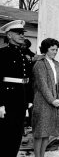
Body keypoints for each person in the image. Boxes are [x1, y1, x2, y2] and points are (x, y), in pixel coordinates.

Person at [0, 20, 33, 157]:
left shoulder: (22, 55)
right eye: (18, 33)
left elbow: (27, 79)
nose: (22, 36)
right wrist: (0, 103)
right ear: (9, 35)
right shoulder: (2, 54)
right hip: (8, 101)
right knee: (5, 138)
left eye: (22, 33)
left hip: (21, 100)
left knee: (16, 136)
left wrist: (29, 99)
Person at [32, 38, 59, 157]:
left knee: (47, 132)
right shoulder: (39, 64)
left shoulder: (56, 64)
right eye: (52, 49)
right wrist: (52, 100)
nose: (55, 52)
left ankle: (42, 155)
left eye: (56, 49)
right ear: (46, 49)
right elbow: (42, 85)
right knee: (40, 132)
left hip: (55, 100)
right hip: (42, 101)